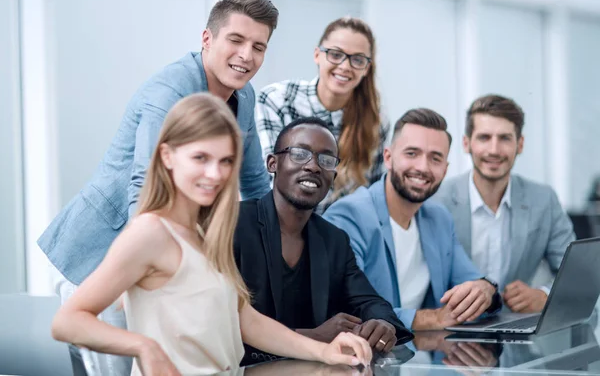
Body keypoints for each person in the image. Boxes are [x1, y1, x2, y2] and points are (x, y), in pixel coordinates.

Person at [38, 0, 277, 373]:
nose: (246, 55)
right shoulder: (170, 90)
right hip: (104, 249)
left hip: (167, 253)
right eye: (236, 40)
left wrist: (277, 256)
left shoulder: (244, 98)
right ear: (207, 39)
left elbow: (254, 185)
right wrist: (146, 261)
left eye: (258, 47)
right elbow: (143, 183)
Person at [51, 94, 372, 376]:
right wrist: (144, 347)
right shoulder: (150, 232)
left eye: (225, 161)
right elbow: (68, 320)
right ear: (167, 157)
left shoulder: (210, 234)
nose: (215, 173)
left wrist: (323, 351)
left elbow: (245, 320)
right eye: (200, 158)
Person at [234, 118, 414, 366]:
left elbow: (370, 301)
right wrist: (312, 338)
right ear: (272, 163)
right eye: (300, 154)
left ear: (333, 176)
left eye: (326, 160)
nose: (313, 166)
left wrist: (382, 323)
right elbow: (220, 331)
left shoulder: (334, 240)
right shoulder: (234, 225)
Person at [324, 108, 501, 331]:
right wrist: (433, 319)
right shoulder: (349, 216)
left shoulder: (439, 218)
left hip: (427, 357)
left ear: (445, 170)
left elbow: (469, 280)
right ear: (388, 158)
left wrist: (485, 289)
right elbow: (345, 308)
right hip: (360, 358)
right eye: (411, 154)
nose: (422, 167)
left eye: (435, 158)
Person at [434, 95, 575, 313]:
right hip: (449, 329)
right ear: (466, 143)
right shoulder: (437, 200)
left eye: (505, 138)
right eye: (484, 137)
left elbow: (576, 274)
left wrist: (545, 295)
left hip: (516, 331)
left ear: (520, 144)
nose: (494, 150)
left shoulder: (544, 200)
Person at [255, 17, 387, 212]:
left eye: (357, 59)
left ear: (366, 68)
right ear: (317, 55)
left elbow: (370, 199)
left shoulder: (376, 122)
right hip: (278, 227)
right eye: (335, 54)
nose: (345, 66)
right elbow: (269, 180)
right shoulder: (277, 100)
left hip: (339, 235)